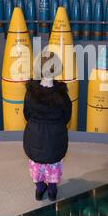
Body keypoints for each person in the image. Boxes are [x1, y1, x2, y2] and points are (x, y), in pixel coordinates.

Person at [23, 52, 72, 201]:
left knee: (36, 165)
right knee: (53, 164)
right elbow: (67, 116)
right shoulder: (62, 95)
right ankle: (52, 191)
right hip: (55, 139)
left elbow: (26, 114)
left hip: (35, 138)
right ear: (57, 68)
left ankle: (39, 189)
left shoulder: (30, 93)